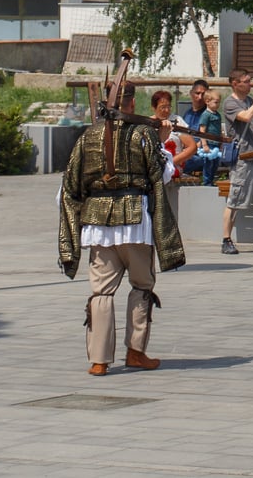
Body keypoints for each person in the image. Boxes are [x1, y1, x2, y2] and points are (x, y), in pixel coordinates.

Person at [58, 81, 185, 376]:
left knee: (101, 291)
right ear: (131, 103)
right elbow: (162, 174)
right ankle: (135, 352)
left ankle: (99, 360)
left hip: (98, 223)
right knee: (142, 285)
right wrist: (162, 141)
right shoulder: (143, 134)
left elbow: (71, 183)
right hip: (135, 221)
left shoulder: (89, 135)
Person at [221, 69, 253, 255]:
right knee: (235, 201)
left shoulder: (250, 100)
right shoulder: (230, 103)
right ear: (235, 83)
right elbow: (246, 117)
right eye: (246, 81)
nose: (250, 84)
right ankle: (226, 239)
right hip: (243, 158)